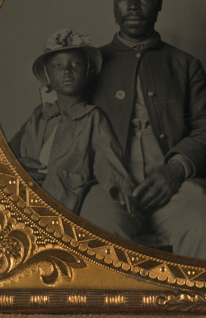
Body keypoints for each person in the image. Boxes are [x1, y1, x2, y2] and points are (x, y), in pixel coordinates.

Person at [79, 0, 206, 258]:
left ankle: (197, 307)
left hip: (175, 186)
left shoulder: (185, 64)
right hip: (108, 187)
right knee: (97, 232)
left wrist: (174, 169)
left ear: (159, 3)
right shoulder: (90, 64)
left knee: (202, 227)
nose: (133, 5)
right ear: (114, 4)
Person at [9, 29, 136, 222]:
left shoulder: (92, 118)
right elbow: (12, 153)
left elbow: (106, 157)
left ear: (87, 72)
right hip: (26, 194)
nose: (67, 71)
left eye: (76, 64)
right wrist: (20, 166)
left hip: (63, 198)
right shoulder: (40, 114)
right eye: (58, 66)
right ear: (48, 76)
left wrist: (120, 187)